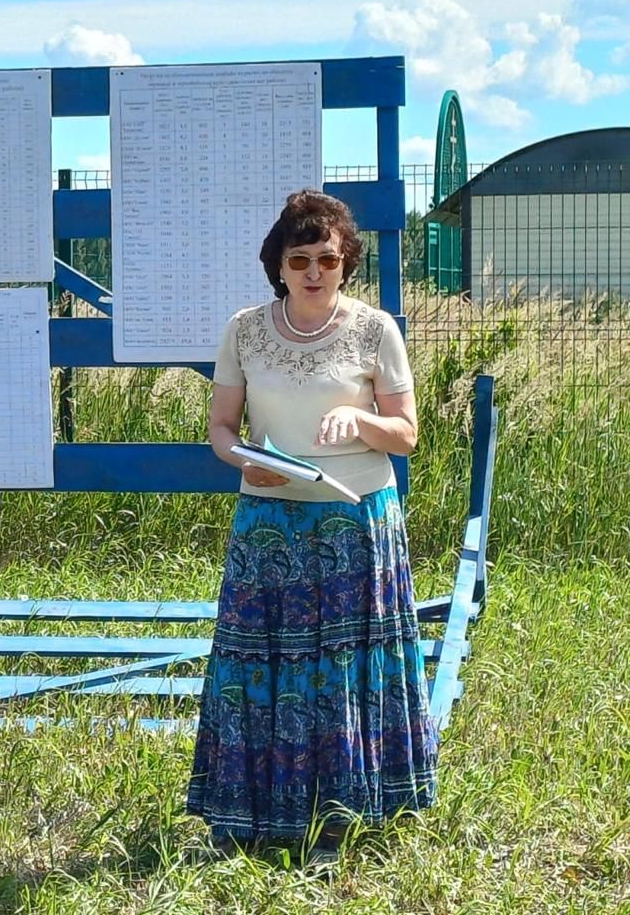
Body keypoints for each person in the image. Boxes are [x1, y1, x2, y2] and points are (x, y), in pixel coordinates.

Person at [186, 189, 437, 849]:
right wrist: (242, 460)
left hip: (356, 525)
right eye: (300, 260)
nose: (315, 273)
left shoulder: (376, 330)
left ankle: (356, 819)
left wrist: (359, 419)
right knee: (264, 668)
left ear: (347, 260)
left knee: (349, 672)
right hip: (269, 523)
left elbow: (407, 435)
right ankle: (253, 819)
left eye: (328, 258)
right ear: (279, 267)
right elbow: (220, 427)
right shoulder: (244, 329)